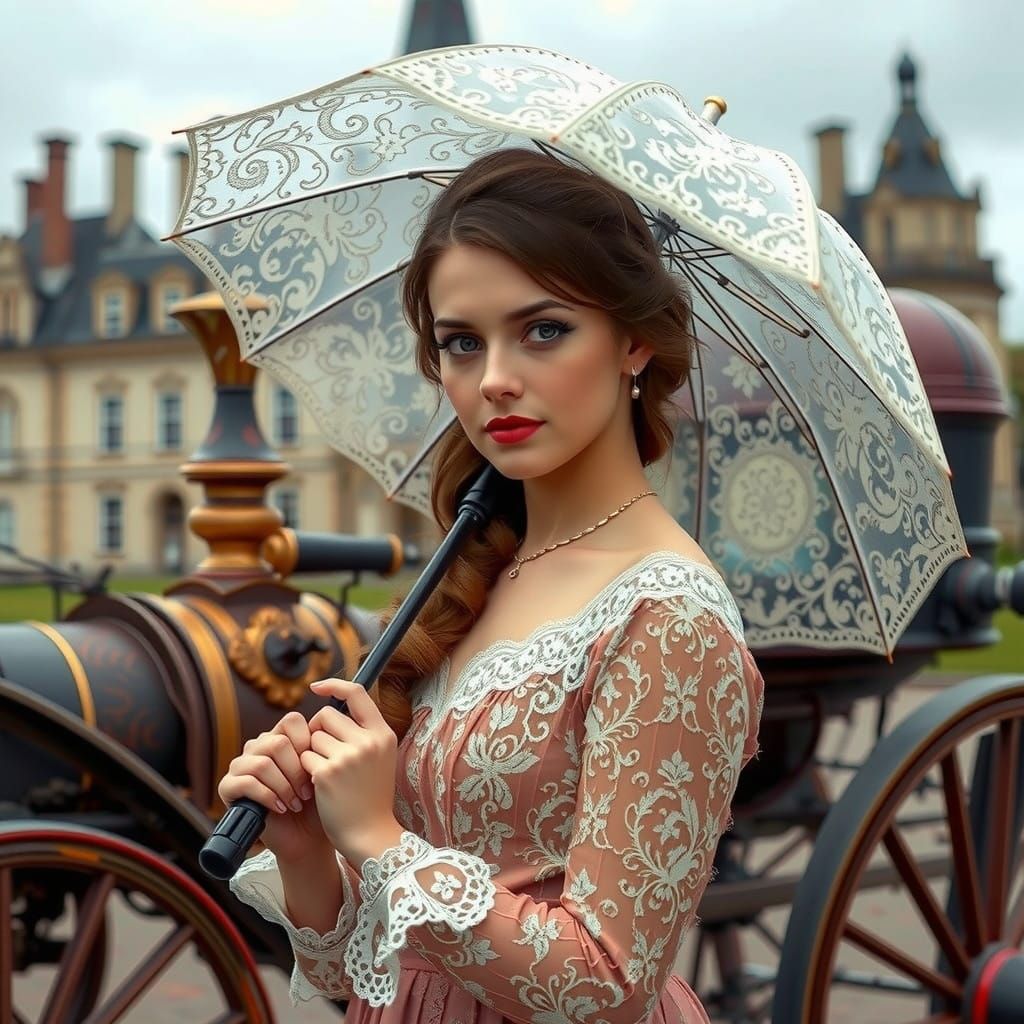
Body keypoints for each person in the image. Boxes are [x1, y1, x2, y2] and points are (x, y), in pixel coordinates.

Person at [218, 148, 765, 1023]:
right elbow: (363, 973)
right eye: (461, 343)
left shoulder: (670, 620)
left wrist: (380, 841)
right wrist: (309, 852)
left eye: (543, 330)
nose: (494, 378)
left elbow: (608, 985)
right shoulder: (474, 575)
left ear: (634, 341)